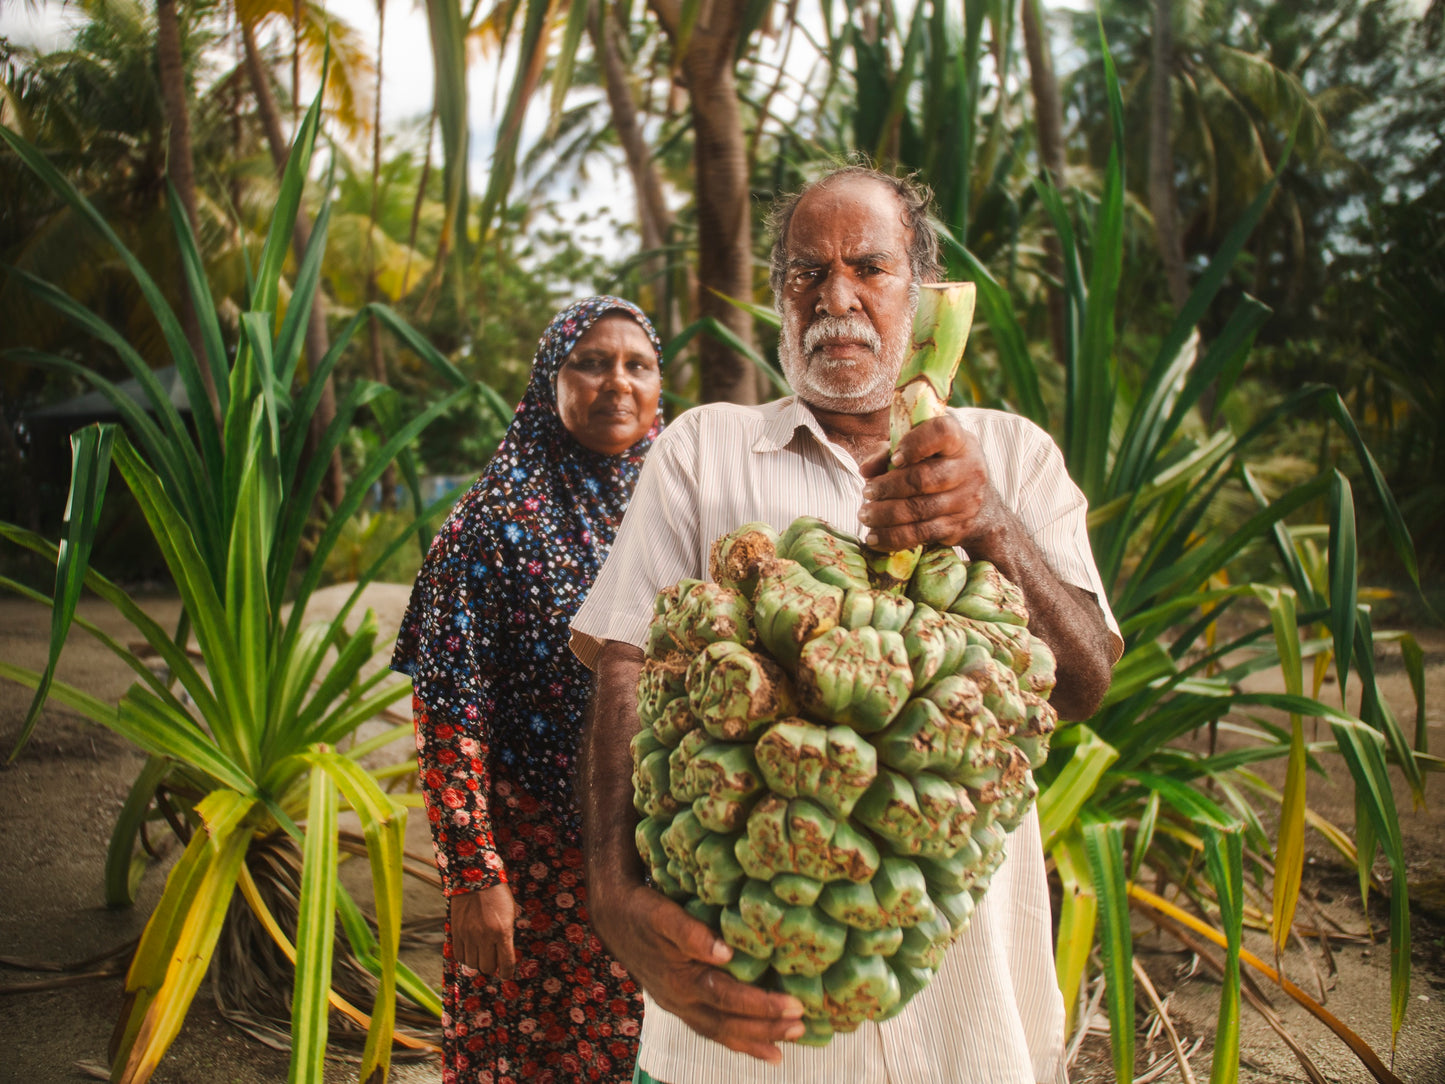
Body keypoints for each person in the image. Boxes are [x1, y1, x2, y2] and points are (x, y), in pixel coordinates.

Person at [568, 169, 1124, 1084]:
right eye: (803, 273)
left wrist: (988, 522)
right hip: (741, 1000)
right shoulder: (700, 448)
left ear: (922, 288)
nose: (834, 297)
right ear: (776, 296)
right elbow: (624, 666)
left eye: (868, 267)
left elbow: (1082, 684)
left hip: (968, 1017)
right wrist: (614, 895)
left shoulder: (1014, 455)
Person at [392, 296, 665, 1084]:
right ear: (550, 380)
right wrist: (473, 877)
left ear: (658, 388)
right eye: (591, 362)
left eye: (637, 364)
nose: (617, 382)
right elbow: (448, 716)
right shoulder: (490, 524)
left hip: (656, 857)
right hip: (537, 866)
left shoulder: (670, 511)